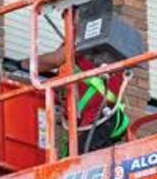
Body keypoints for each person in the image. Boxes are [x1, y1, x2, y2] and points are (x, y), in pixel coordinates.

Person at [13, 14, 130, 157]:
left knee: (79, 164)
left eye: (67, 15)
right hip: (109, 118)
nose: (65, 20)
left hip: (98, 119)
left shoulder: (86, 31)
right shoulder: (107, 41)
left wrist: (21, 65)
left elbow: (56, 59)